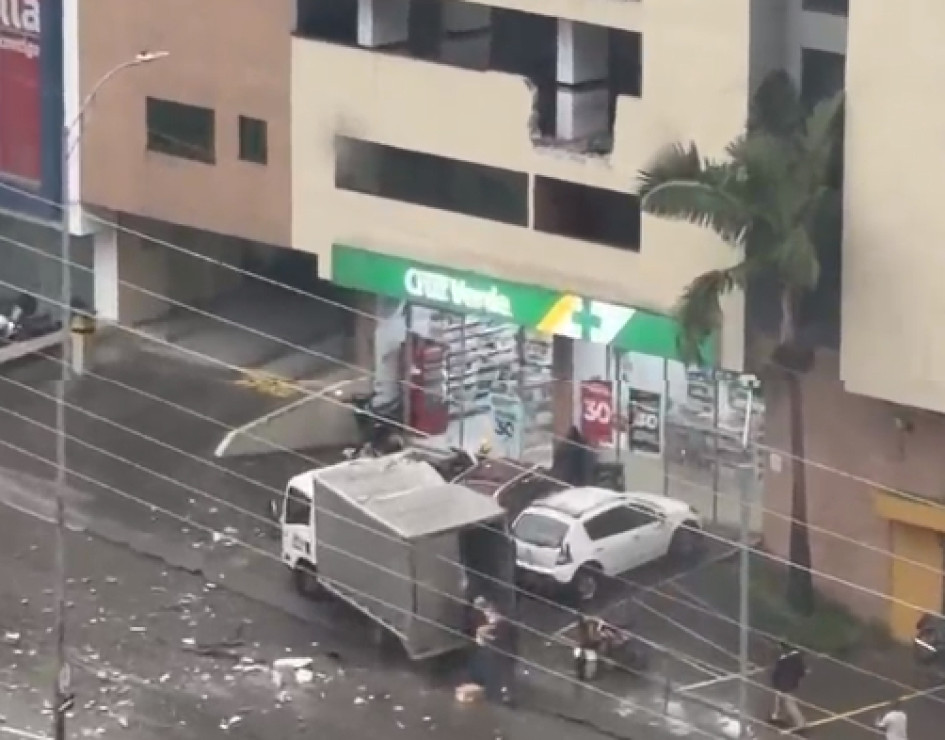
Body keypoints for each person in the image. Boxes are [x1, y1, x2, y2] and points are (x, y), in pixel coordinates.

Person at [769, 641, 807, 732]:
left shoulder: (783, 660)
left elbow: (776, 673)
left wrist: (775, 683)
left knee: (789, 703)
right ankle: (776, 715)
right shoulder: (797, 657)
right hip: (791, 683)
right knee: (778, 698)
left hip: (784, 684)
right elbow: (801, 671)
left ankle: (801, 723)